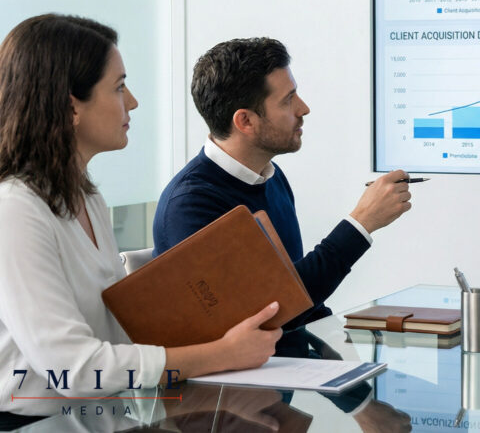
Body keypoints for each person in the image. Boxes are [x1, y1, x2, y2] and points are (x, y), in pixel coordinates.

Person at [0, 15, 280, 428]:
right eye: (117, 87)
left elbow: (114, 330)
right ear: (70, 104)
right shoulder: (15, 210)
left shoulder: (85, 195)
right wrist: (222, 352)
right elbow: (74, 369)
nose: (132, 101)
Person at [153, 37, 411, 358]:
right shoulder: (190, 204)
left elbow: (304, 307)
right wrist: (360, 224)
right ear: (245, 121)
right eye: (288, 100)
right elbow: (273, 308)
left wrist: (356, 394)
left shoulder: (271, 177)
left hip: (288, 380)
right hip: (234, 395)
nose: (304, 109)